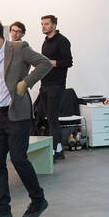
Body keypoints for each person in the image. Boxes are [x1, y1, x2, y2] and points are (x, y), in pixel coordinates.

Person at [0, 16, 52, 217]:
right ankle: (2, 208)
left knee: (18, 159)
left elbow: (44, 64)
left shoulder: (19, 48)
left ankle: (38, 199)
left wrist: (26, 82)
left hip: (17, 114)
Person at [38, 15, 73, 161]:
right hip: (45, 84)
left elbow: (68, 61)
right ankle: (58, 150)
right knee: (48, 117)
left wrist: (51, 63)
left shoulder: (63, 41)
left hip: (56, 85)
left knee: (52, 118)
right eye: (42, 24)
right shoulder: (45, 42)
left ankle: (53, 151)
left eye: (46, 24)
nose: (43, 27)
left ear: (54, 25)